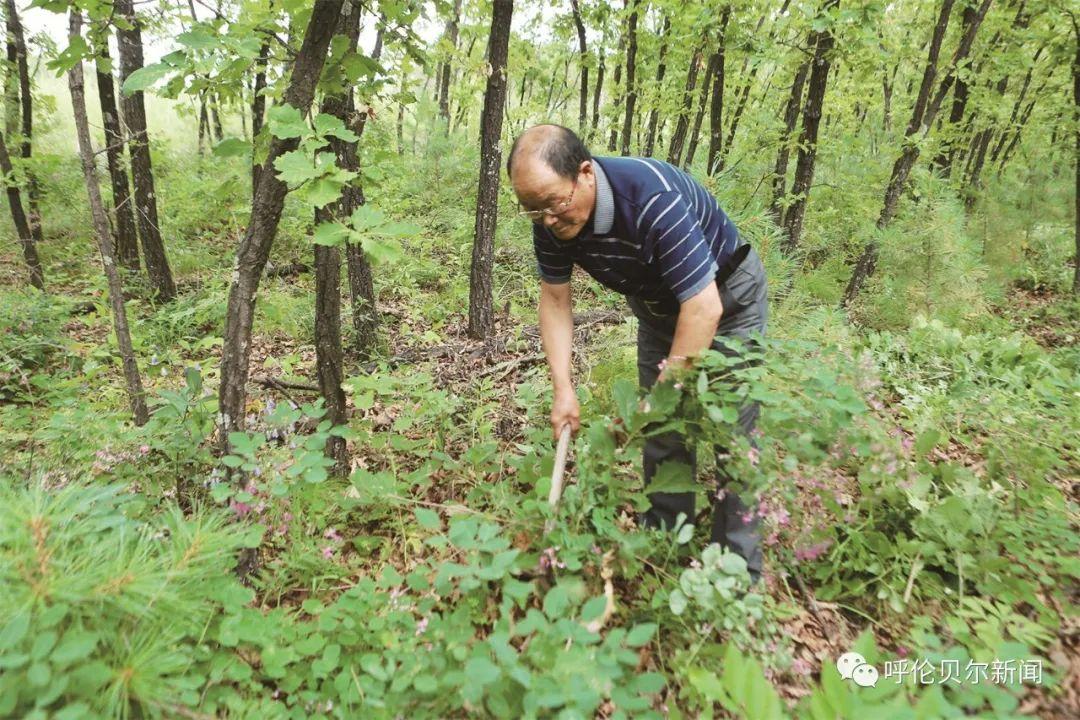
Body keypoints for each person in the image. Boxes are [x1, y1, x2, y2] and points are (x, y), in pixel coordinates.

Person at [506, 124, 769, 582]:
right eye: (533, 210)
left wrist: (662, 396)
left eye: (554, 203)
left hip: (726, 301)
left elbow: (703, 306)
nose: (547, 219)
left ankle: (735, 574)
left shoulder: (650, 198)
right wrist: (563, 389)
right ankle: (663, 546)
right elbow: (554, 300)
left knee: (732, 433)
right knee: (663, 433)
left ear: (585, 173)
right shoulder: (550, 219)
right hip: (659, 309)